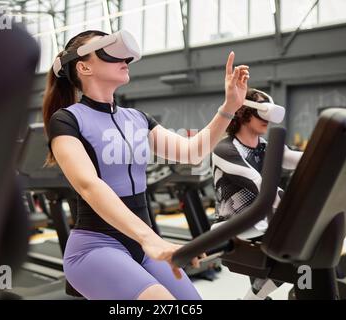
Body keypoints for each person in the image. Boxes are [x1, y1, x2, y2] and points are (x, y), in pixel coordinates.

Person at [43, 29, 250, 300]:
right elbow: (89, 185)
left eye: (126, 55)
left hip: (141, 247)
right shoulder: (67, 120)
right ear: (83, 66)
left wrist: (229, 107)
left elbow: (192, 152)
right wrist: (150, 239)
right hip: (95, 248)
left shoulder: (137, 118)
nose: (125, 59)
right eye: (110, 52)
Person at [211, 88, 303, 300]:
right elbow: (262, 187)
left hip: (265, 220)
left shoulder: (265, 146)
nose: (267, 120)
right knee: (295, 250)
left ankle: (256, 296)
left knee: (308, 248)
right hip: (236, 223)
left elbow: (299, 159)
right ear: (243, 112)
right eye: (262, 112)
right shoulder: (226, 150)